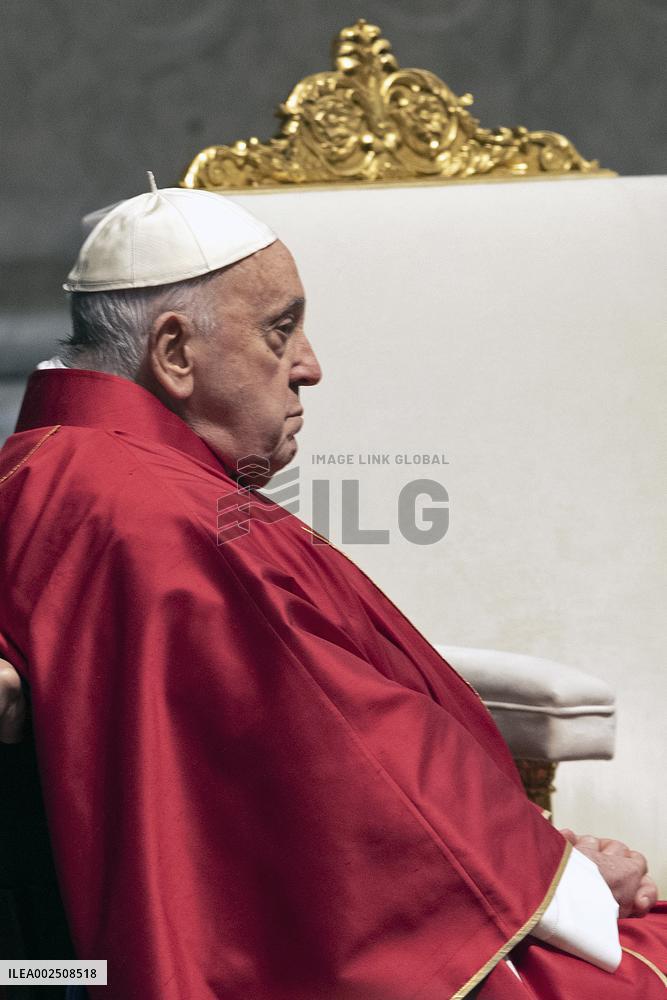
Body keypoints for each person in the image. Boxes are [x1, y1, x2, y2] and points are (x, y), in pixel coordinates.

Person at [0, 179, 665, 999]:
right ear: (174, 354)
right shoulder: (152, 513)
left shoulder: (46, 467)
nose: (308, 367)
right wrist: (560, 883)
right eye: (279, 332)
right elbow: (344, 756)